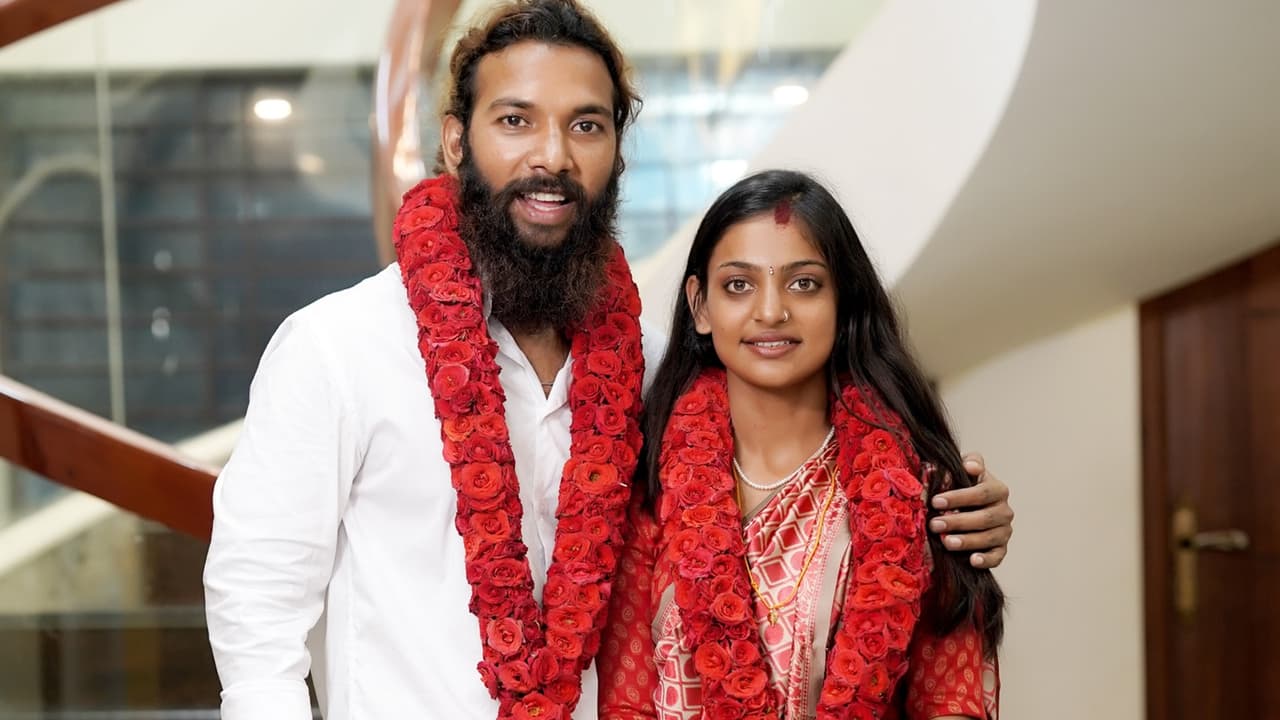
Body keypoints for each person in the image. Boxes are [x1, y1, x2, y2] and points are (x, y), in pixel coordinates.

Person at [202, 2, 1013, 719]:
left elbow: (797, 478)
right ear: (455, 141)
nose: (552, 156)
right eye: (515, 120)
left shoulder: (654, 369)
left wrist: (952, 510)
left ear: (617, 152)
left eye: (586, 126)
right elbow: (256, 615)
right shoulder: (338, 348)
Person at [598, 169, 1005, 719]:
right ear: (700, 306)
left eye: (804, 283)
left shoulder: (918, 492)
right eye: (738, 285)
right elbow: (627, 705)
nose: (771, 311)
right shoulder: (652, 492)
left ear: (844, 300)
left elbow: (950, 703)